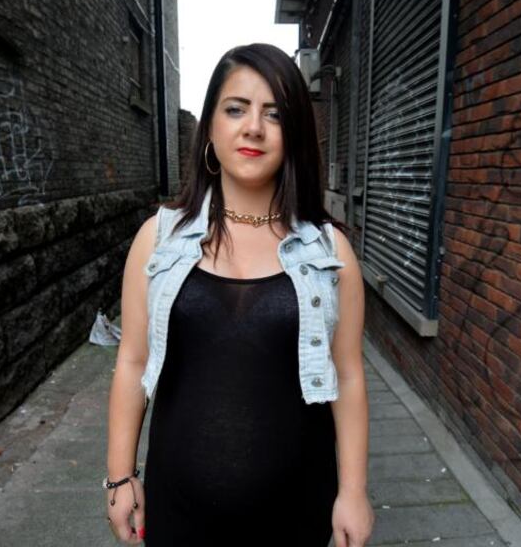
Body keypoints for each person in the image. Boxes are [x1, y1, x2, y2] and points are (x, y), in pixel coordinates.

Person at [104, 42, 374, 546]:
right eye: (236, 109)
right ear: (210, 126)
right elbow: (132, 361)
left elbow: (350, 375)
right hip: (178, 508)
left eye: (274, 114)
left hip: (298, 509)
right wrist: (120, 477)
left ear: (293, 134)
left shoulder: (329, 251)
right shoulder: (158, 239)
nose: (253, 127)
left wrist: (354, 492)